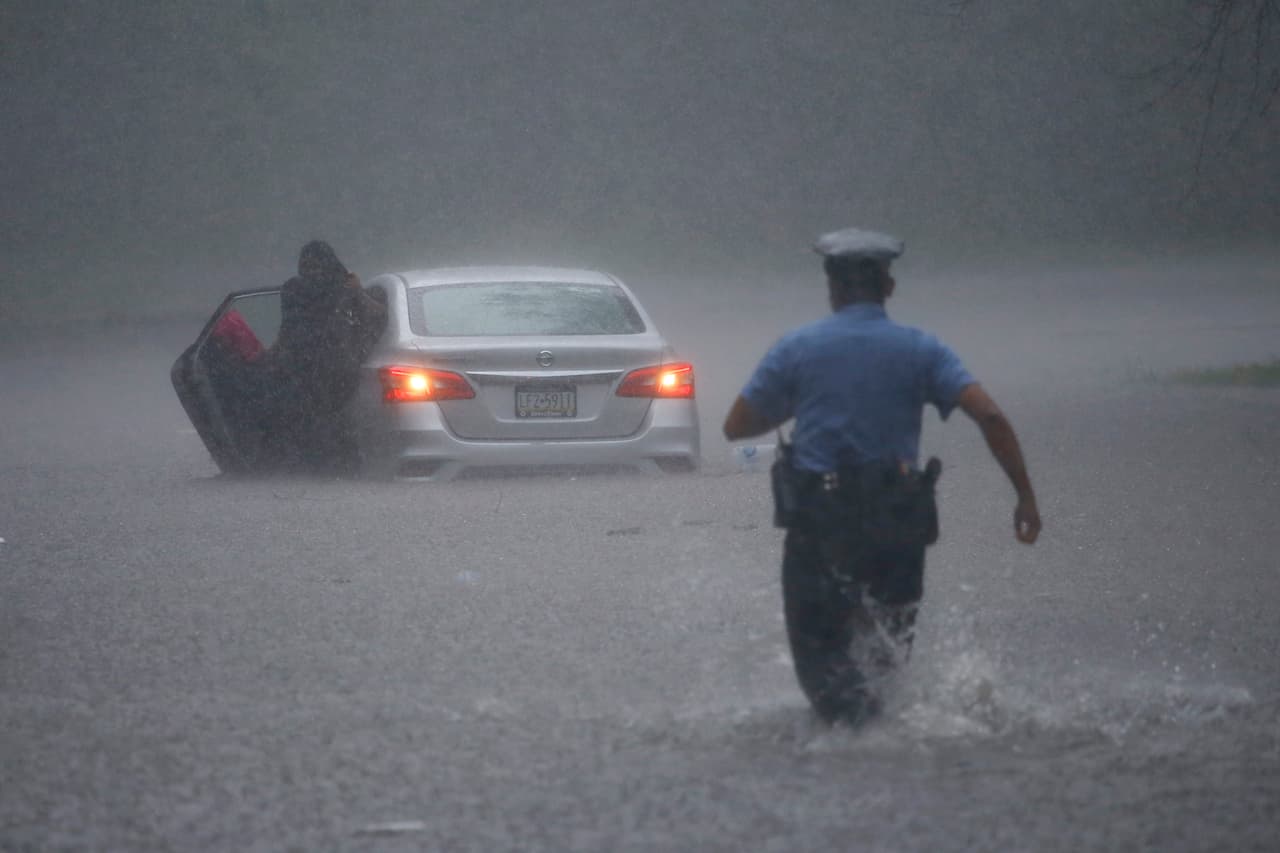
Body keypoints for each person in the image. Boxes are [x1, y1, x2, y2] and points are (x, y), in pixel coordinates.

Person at [722, 227, 1041, 726]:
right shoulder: (923, 349)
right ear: (887, 287)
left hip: (819, 526)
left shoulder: (796, 348)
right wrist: (1025, 498)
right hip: (897, 524)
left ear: (832, 289)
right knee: (885, 665)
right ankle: (884, 752)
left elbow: (736, 426)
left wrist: (797, 402)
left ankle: (839, 760)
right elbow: (992, 418)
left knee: (823, 673)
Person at [267, 240, 387, 474]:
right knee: (320, 422)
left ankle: (332, 468)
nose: (312, 272)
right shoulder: (295, 289)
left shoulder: (342, 287)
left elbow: (377, 315)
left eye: (316, 266)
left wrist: (357, 292)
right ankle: (329, 468)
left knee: (331, 422)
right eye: (307, 266)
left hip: (332, 370)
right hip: (310, 369)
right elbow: (287, 329)